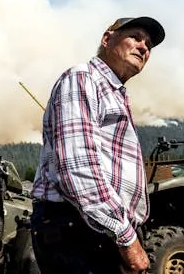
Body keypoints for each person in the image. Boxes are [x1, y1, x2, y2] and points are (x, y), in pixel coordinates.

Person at [30, 16, 165, 274]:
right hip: (77, 229)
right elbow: (78, 168)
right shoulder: (83, 78)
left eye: (148, 44)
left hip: (93, 229)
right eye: (135, 37)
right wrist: (126, 237)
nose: (144, 47)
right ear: (107, 39)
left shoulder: (112, 91)